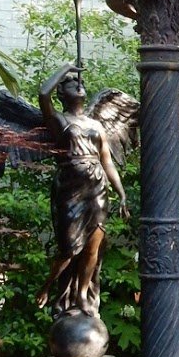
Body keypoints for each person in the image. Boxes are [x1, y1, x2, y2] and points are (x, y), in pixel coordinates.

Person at [36, 64, 129, 316]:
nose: (78, 86)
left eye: (80, 83)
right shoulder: (58, 120)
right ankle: (47, 287)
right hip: (69, 187)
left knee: (92, 247)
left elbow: (106, 160)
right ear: (62, 93)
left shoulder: (96, 125)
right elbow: (43, 94)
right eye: (70, 84)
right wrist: (66, 68)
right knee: (68, 247)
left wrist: (120, 193)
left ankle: (82, 293)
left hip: (97, 187)